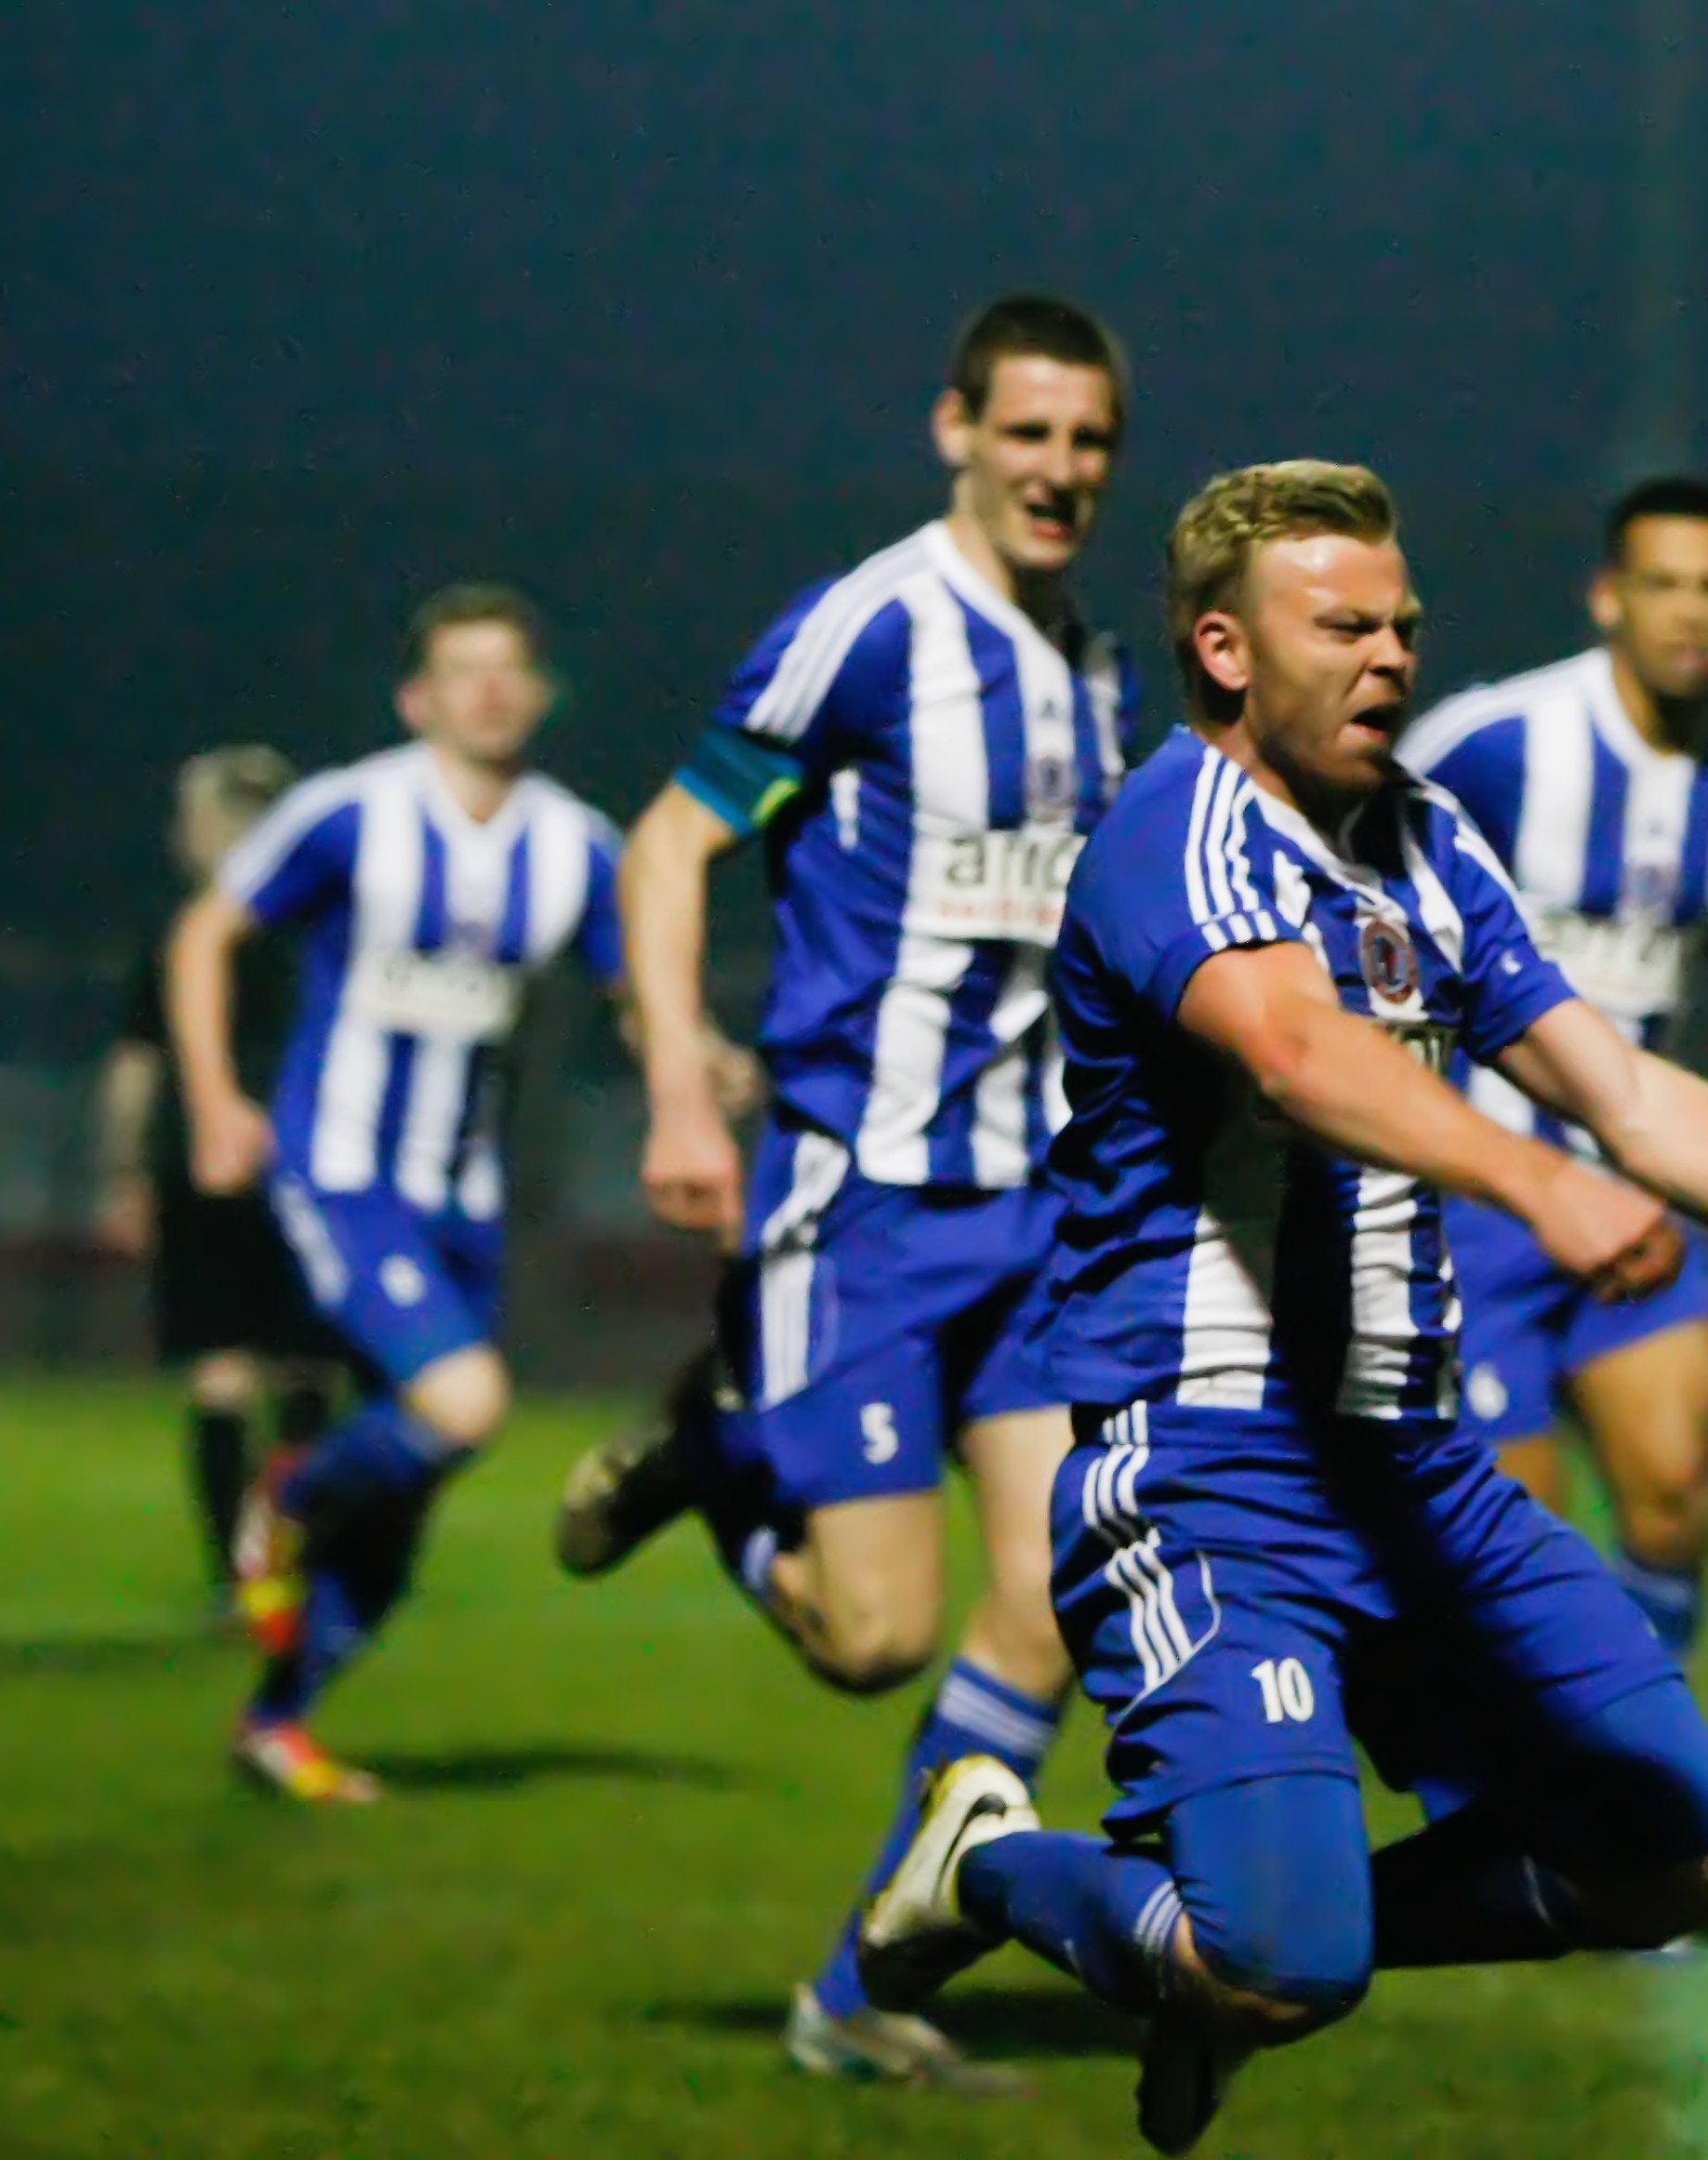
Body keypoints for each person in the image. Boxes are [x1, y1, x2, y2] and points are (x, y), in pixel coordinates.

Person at [846, 461, 1708, 2155]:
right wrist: (1535, 1183)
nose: (1389, 656)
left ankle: (1230, 1962)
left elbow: (1623, 1085)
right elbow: (1298, 1053)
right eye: (1343, 626)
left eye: (1402, 625)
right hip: (1214, 1473)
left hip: (1418, 1472)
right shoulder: (1175, 829)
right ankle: (990, 1862)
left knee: (1672, 1861)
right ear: (1225, 650)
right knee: (1284, 1961)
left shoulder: (1429, 838)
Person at [548, 295, 1135, 2093]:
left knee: (1056, 1597)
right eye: (1026, 432)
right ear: (955, 429)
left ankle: (863, 1986)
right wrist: (677, 1077)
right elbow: (670, 840)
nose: (1057, 469)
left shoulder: (1096, 668)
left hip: (1033, 1216)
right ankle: (712, 1457)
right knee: (875, 1639)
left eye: (1087, 441)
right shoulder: (869, 629)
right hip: (860, 1205)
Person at [167, 584, 631, 1804]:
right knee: (465, 1402)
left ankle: (277, 1721)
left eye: (508, 668)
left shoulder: (574, 844)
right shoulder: (348, 813)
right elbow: (205, 935)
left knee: (410, 1492)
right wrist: (216, 1101)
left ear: (540, 694)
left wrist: (699, 1071)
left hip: (462, 1193)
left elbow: (638, 984)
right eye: (462, 670)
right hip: (341, 1169)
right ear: (416, 698)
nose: (489, 690)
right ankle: (288, 1491)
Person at [1393, 473, 1708, 1668]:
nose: (1687, 612)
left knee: (1675, 1499)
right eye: (1661, 584)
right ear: (1607, 598)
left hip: (1639, 1193)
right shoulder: (1491, 745)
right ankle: (1541, 1769)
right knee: (1517, 1556)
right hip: (1475, 1204)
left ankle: (1620, 1759)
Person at [97, 748, 339, 1603]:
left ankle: (237, 1575)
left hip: (199, 1163)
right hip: (313, 1161)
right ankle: (297, 1557)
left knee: (223, 1368)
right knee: (309, 1366)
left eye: (193, 819)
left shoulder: (183, 928)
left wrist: (125, 1171)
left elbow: (134, 1068)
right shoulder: (327, 928)